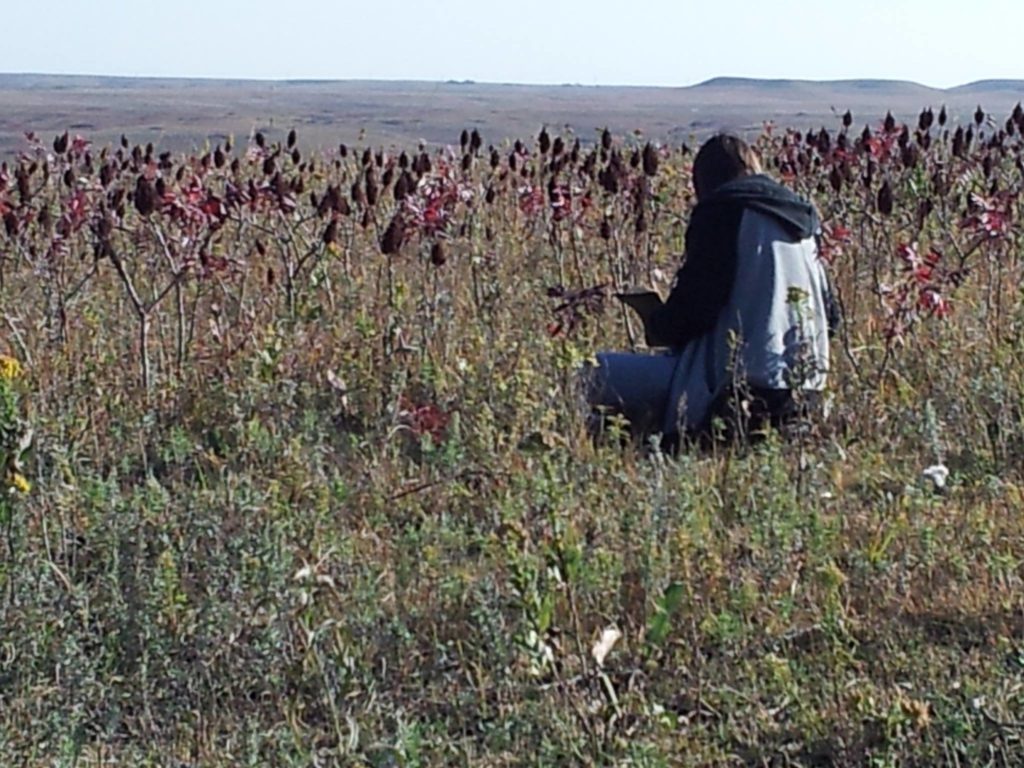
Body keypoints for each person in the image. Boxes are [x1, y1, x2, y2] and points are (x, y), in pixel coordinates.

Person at [586, 133, 841, 447]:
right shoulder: (805, 223)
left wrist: (658, 321)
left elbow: (696, 310)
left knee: (590, 373)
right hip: (807, 394)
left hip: (733, 393)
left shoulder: (724, 211)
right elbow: (832, 319)